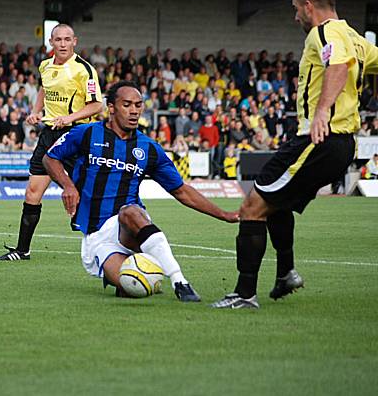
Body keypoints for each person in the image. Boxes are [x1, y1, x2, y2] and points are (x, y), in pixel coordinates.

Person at [212, 0, 378, 309]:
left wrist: (321, 113)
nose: (295, 18)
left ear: (308, 6)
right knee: (275, 202)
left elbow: (337, 68)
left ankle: (244, 294)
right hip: (342, 143)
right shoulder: (356, 38)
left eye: (295, 9)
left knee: (251, 208)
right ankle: (285, 272)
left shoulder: (326, 32)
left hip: (320, 138)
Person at [43, 81, 238, 299]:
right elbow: (50, 157)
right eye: (127, 104)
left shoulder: (149, 148)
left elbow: (182, 191)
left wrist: (224, 215)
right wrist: (68, 186)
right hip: (96, 236)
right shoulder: (86, 134)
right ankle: (130, 272)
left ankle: (180, 281)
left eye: (138, 105)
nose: (134, 110)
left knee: (131, 211)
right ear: (112, 107)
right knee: (135, 288)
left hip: (129, 224)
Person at [0, 24, 103, 261]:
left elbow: (97, 105)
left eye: (67, 39)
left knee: (89, 191)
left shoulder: (84, 69)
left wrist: (70, 118)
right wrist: (35, 111)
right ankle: (22, 250)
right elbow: (44, 90)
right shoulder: (45, 65)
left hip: (76, 135)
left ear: (74, 41)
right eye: (58, 40)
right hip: (49, 134)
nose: (62, 44)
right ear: (51, 42)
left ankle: (104, 248)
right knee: (33, 191)